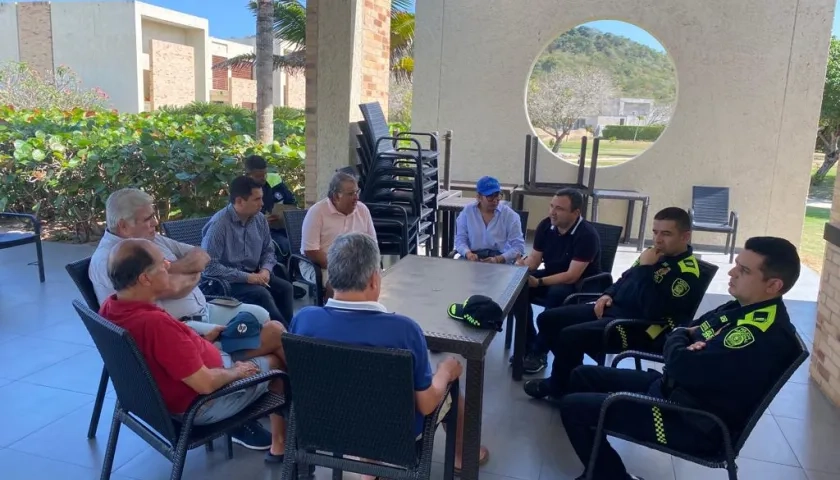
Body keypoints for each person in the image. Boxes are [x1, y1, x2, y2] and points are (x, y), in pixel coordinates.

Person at [559, 236, 802, 480]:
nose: (732, 272)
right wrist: (683, 339)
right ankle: (602, 468)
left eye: (744, 270)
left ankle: (609, 477)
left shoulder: (754, 333)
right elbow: (688, 330)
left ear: (773, 285)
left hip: (689, 420)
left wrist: (682, 338)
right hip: (675, 392)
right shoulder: (740, 308)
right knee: (583, 375)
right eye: (737, 264)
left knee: (574, 407)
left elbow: (680, 358)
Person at [88, 188, 282, 451]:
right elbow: (204, 383)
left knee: (273, 329)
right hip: (207, 398)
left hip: (196, 356)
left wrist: (199, 335)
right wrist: (234, 372)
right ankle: (283, 435)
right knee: (278, 360)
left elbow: (200, 259)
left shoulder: (119, 304)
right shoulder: (155, 323)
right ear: (145, 278)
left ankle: (291, 410)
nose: (169, 266)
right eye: (163, 266)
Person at [289, 232, 490, 476]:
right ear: (374, 280)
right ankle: (463, 455)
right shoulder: (404, 331)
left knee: (356, 386)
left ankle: (368, 468)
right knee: (449, 381)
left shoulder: (304, 320)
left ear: (332, 277)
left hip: (324, 428)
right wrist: (445, 372)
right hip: (391, 434)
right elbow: (426, 405)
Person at [524, 207, 704, 397]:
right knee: (548, 319)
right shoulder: (655, 255)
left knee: (570, 336)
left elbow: (653, 310)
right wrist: (608, 294)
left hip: (639, 327)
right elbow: (624, 279)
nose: (658, 239)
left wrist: (645, 269)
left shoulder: (686, 273)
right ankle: (572, 381)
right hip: (614, 310)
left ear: (685, 237)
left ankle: (558, 387)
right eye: (655, 232)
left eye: (666, 234)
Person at [513, 188, 602, 374]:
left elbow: (572, 275)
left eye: (559, 209)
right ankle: (529, 344)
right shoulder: (546, 225)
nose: (552, 212)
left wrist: (538, 282)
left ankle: (539, 352)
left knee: (556, 295)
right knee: (516, 288)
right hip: (552, 275)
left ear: (576, 213)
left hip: (580, 285)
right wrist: (523, 266)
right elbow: (535, 260)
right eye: (551, 206)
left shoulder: (587, 235)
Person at [202, 176, 295, 326]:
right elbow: (209, 267)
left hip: (256, 274)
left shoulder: (259, 219)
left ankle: (288, 331)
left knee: (286, 288)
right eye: (257, 199)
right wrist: (247, 277)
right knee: (261, 294)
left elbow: (268, 251)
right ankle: (287, 336)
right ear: (239, 201)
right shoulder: (219, 225)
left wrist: (265, 270)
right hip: (226, 282)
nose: (262, 204)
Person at [300, 171, 376, 300]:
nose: (356, 197)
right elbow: (311, 251)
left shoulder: (362, 210)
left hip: (357, 265)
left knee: (375, 282)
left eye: (357, 192)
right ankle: (334, 317)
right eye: (351, 194)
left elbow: (372, 243)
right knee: (340, 285)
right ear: (336, 196)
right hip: (321, 265)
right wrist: (342, 268)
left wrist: (362, 266)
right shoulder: (317, 212)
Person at [453, 175, 525, 263]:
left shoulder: (510, 215)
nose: (495, 200)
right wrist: (468, 253)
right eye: (490, 197)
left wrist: (498, 259)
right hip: (473, 256)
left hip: (501, 257)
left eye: (497, 195)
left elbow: (519, 247)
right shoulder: (467, 212)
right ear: (479, 197)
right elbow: (460, 240)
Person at [244, 155, 298, 257]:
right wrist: (261, 220)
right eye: (258, 176)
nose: (263, 178)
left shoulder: (274, 181)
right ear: (248, 175)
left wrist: (285, 211)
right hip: (258, 234)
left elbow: (291, 202)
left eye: (264, 174)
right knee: (285, 245)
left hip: (282, 228)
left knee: (303, 242)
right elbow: (237, 217)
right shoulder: (241, 190)